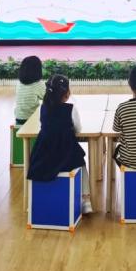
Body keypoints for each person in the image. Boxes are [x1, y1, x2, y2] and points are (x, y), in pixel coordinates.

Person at [27, 75, 91, 213]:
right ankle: (86, 201)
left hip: (44, 156)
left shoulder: (43, 108)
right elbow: (78, 129)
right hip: (66, 154)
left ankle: (35, 200)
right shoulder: (70, 109)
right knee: (82, 164)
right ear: (67, 93)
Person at [14, 56, 45, 125]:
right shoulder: (38, 84)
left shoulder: (19, 83)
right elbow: (47, 97)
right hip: (31, 119)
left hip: (18, 117)